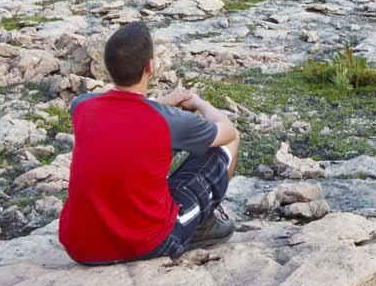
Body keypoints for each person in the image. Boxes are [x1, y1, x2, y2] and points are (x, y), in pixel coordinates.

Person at [58, 21, 240, 264]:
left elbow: (122, 113)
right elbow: (228, 131)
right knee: (223, 146)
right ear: (150, 66)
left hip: (80, 248)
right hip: (148, 244)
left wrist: (162, 101)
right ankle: (202, 224)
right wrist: (198, 104)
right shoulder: (167, 121)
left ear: (108, 67)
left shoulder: (82, 106)